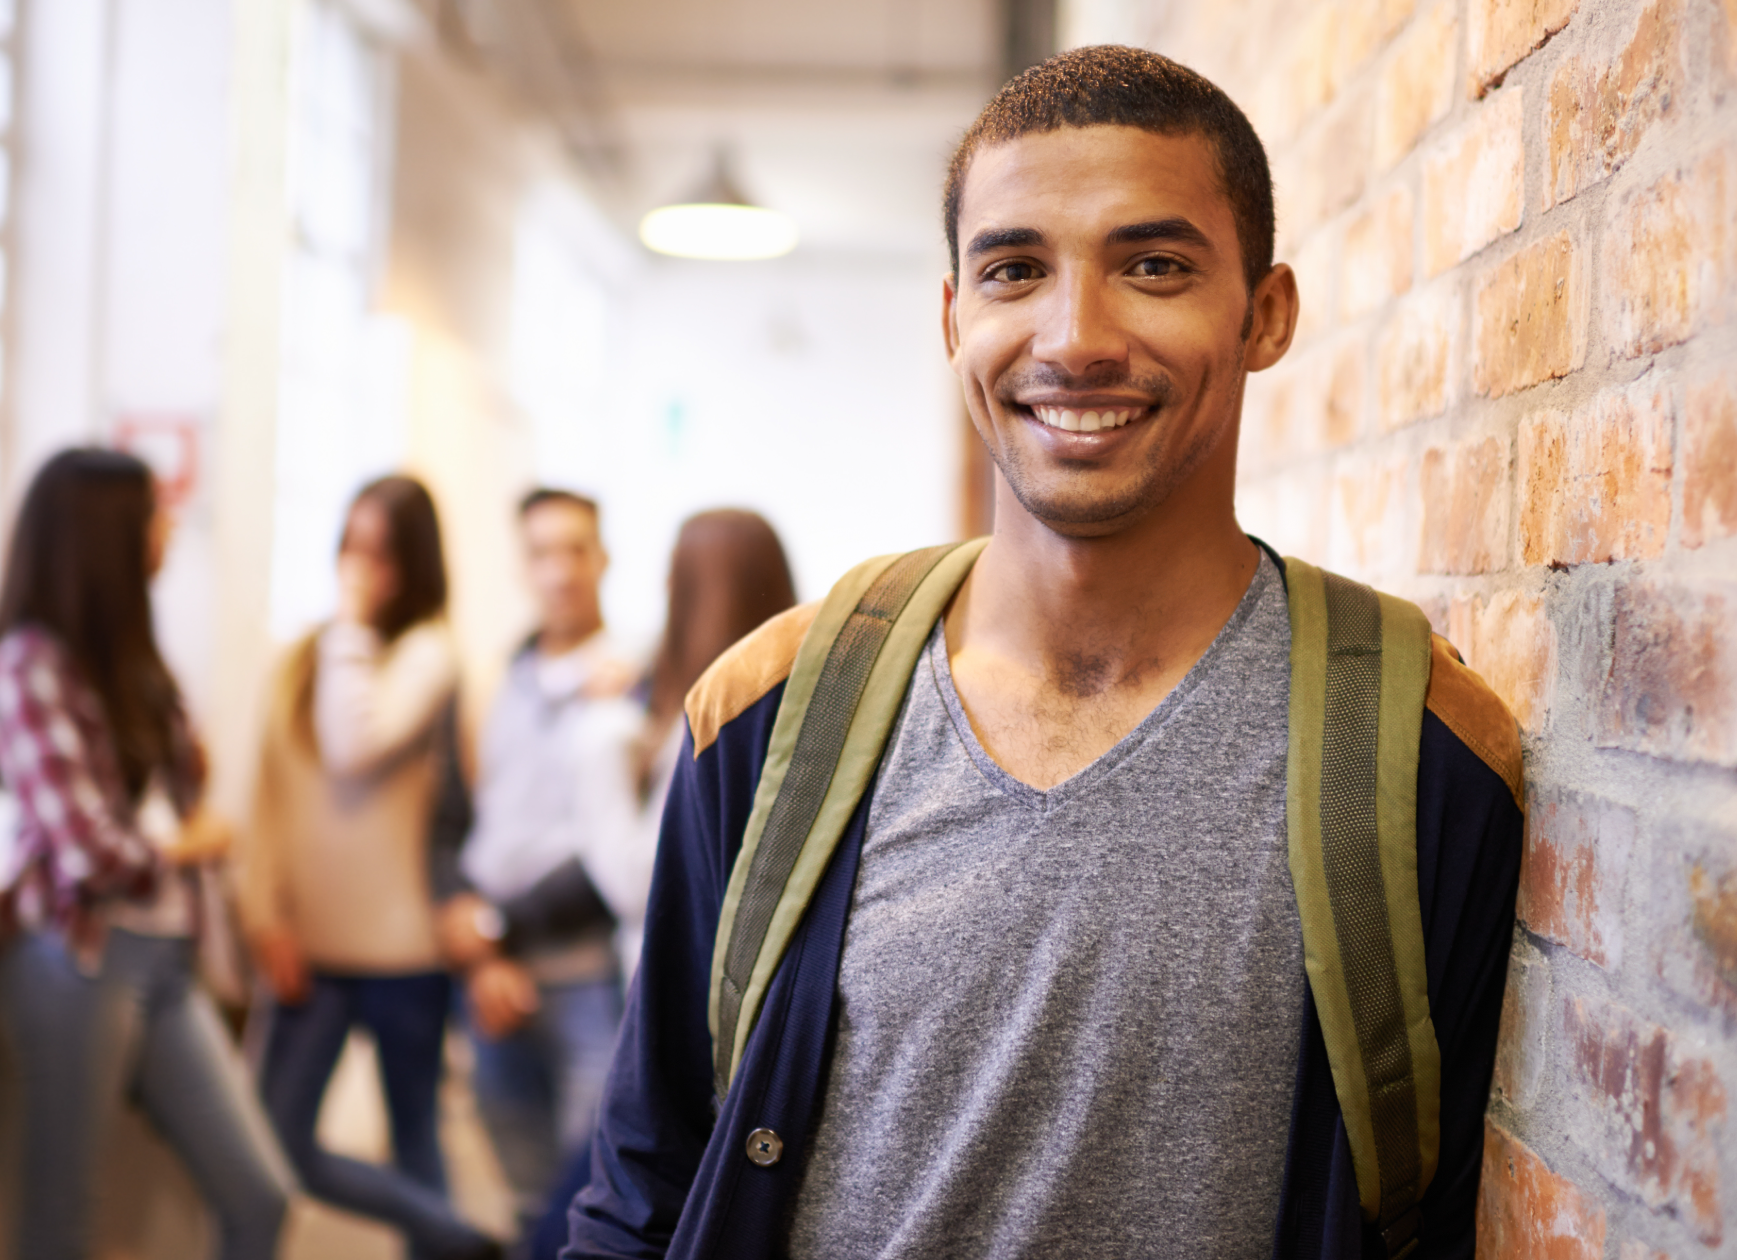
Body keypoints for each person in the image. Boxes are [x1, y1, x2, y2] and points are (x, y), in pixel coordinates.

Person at [565, 45, 1526, 1260]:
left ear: (1263, 315)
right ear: (956, 317)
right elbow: (642, 1188)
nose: (1074, 337)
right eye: (1015, 269)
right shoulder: (772, 712)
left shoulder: (1418, 755)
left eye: (1154, 266)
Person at [0, 448, 294, 1260]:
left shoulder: (129, 658)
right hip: (78, 963)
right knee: (61, 1227)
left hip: (162, 958)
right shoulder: (29, 665)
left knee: (260, 1195)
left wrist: (184, 812)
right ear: (108, 535)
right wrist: (190, 843)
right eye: (156, 514)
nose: (170, 528)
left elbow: (184, 779)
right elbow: (94, 854)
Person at [467, 507, 800, 1260]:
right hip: (749, 1015)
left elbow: (635, 880)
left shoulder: (706, 716)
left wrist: (599, 750)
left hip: (672, 1009)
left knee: (597, 1211)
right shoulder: (792, 699)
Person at [238, 475, 502, 1260]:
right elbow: (267, 796)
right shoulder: (306, 657)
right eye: (351, 545)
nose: (361, 569)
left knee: (416, 1141)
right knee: (268, 1146)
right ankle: (466, 1241)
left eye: (382, 554)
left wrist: (348, 628)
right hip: (309, 950)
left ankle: (448, 1243)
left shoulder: (430, 656)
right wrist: (263, 916)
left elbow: (354, 745)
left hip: (405, 953)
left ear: (414, 565)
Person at [438, 488, 643, 1234]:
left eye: (574, 550)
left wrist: (496, 934)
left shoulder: (633, 683)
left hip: (585, 983)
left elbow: (614, 859)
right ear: (521, 567)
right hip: (494, 984)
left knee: (590, 1198)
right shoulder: (501, 679)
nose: (559, 571)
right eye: (541, 554)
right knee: (523, 1193)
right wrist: (481, 951)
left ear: (603, 559)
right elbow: (467, 822)